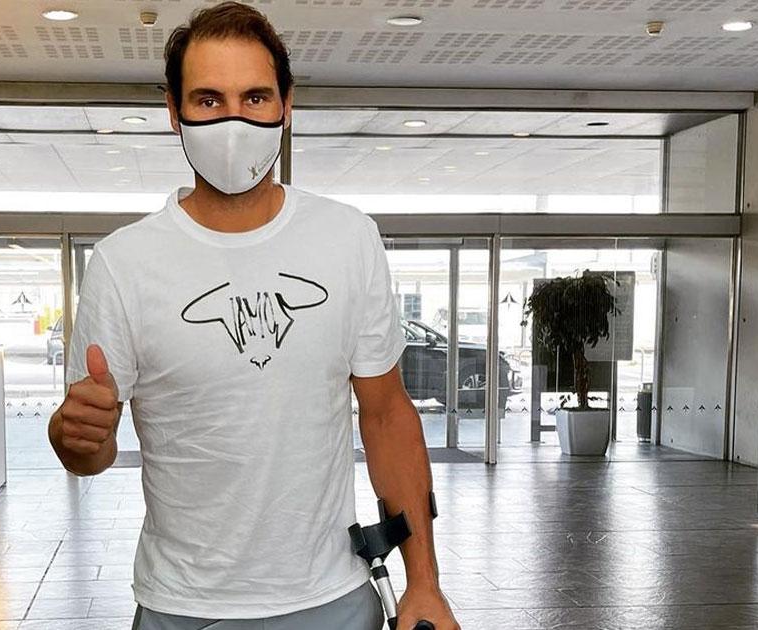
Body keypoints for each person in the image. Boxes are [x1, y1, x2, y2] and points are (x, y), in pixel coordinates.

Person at [47, 3, 459, 630]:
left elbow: (386, 414)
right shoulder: (123, 264)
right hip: (182, 607)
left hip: (333, 602)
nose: (233, 121)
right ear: (174, 111)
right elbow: (90, 453)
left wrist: (423, 583)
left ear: (286, 106)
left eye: (255, 97)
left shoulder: (347, 239)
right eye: (209, 100)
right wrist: (75, 438)